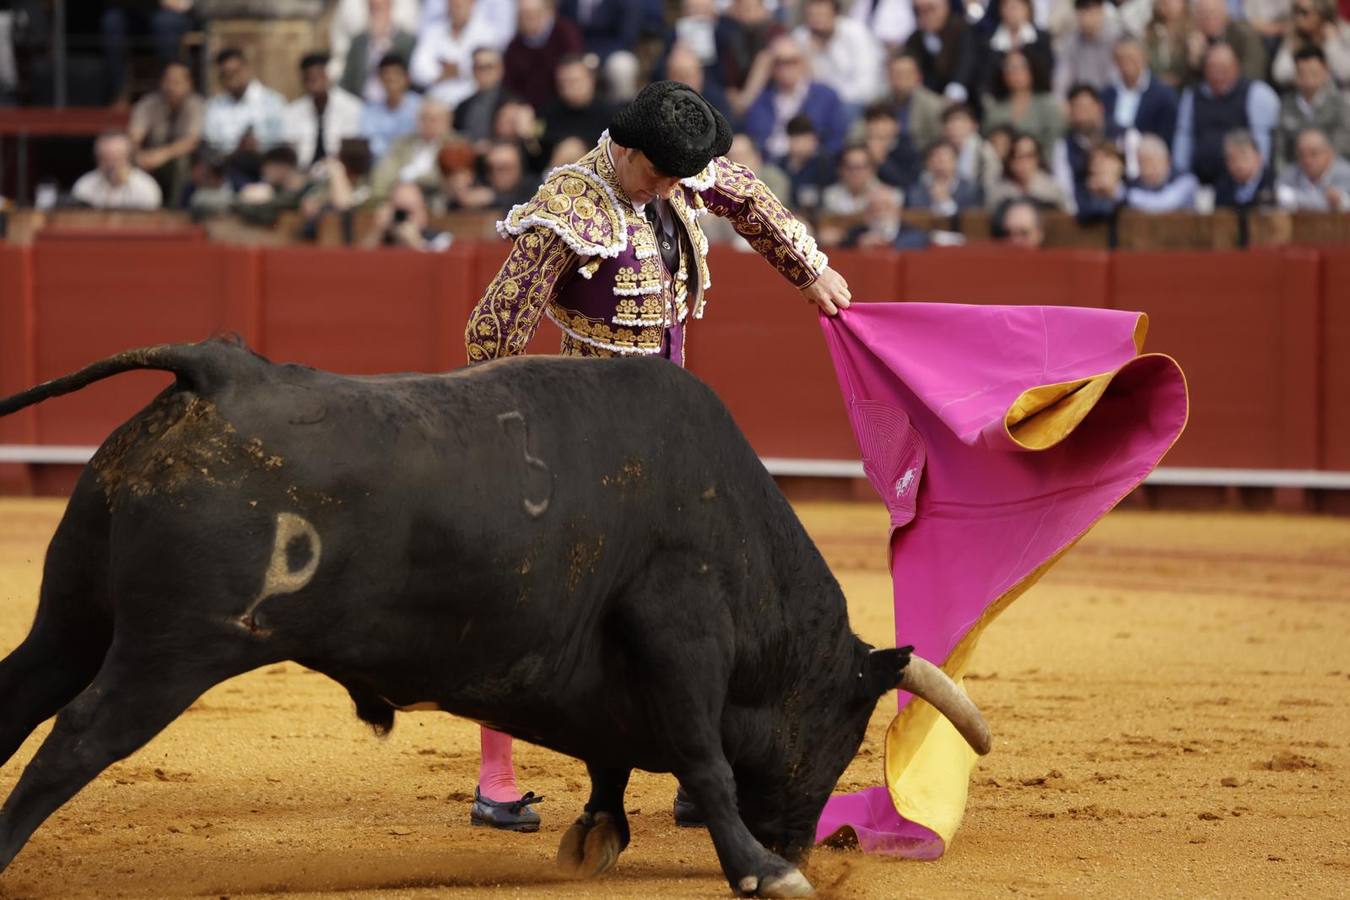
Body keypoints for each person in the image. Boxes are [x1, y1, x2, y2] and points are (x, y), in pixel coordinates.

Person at [463, 81, 849, 831]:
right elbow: (492, 332)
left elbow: (747, 198)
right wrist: (517, 430)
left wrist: (810, 271)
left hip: (673, 430)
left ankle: (694, 762)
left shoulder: (673, 164)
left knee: (704, 591)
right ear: (627, 149)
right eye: (661, 175)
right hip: (591, 432)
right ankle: (496, 776)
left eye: (682, 176)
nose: (675, 188)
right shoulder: (568, 207)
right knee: (540, 592)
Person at [1174, 42, 1280, 184]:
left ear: (1237, 68)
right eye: (1212, 68)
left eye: (1224, 68)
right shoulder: (1191, 95)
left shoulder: (1257, 94)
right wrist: (1181, 175)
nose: (1218, 74)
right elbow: (1184, 137)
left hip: (1242, 182)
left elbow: (1262, 143)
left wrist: (1257, 182)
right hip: (1201, 181)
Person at [741, 35, 850, 164]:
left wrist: (817, 156)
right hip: (769, 164)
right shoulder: (761, 100)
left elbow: (837, 139)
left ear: (803, 63)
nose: (785, 68)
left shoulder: (826, 96)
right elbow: (751, 135)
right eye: (778, 62)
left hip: (814, 166)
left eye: (792, 61)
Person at [203, 48, 287, 183]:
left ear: (247, 69)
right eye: (225, 74)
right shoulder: (214, 107)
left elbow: (281, 144)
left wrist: (257, 147)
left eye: (235, 72)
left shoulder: (273, 101)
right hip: (227, 172)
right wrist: (237, 149)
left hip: (266, 170)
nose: (231, 78)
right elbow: (211, 147)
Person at [129, 60, 205, 205]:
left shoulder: (197, 105)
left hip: (183, 160)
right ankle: (143, 209)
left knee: (181, 163)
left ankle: (175, 210)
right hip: (151, 157)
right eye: (167, 81)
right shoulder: (148, 104)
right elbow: (134, 137)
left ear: (189, 84)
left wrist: (162, 155)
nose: (170, 87)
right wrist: (139, 155)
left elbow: (191, 141)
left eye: (176, 82)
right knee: (130, 159)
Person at [793, 0, 886, 107]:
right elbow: (801, 85)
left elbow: (867, 85)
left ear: (835, 12)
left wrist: (833, 100)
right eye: (812, 14)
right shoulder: (800, 38)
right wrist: (810, 54)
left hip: (859, 101)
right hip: (820, 104)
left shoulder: (856, 32)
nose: (817, 18)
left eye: (822, 13)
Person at [286, 53, 365, 169]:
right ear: (303, 80)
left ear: (329, 76)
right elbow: (290, 152)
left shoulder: (352, 107)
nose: (314, 83)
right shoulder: (292, 111)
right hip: (303, 173)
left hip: (339, 170)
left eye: (319, 76)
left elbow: (350, 151)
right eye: (310, 78)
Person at [982, 50, 1066, 156]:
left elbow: (1055, 142)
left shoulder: (1048, 104)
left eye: (1021, 66)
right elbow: (987, 143)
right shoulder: (995, 108)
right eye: (1009, 68)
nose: (1016, 72)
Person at [503, 0, 585, 109]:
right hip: (529, 109)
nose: (528, 19)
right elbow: (511, 86)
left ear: (547, 12)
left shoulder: (565, 33)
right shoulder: (514, 47)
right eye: (523, 15)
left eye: (532, 14)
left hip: (564, 104)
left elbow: (572, 70)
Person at [1101, 36, 1180, 147]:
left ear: (1144, 57)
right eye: (1121, 59)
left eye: (1131, 57)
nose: (1126, 63)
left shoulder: (1163, 94)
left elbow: (1168, 134)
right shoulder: (1107, 94)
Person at [1279, 47, 1350, 166]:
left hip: (1333, 170)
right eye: (1302, 72)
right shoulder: (1286, 105)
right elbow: (1280, 148)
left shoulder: (1340, 105)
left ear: (1325, 71)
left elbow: (1343, 145)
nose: (1308, 78)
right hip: (1295, 172)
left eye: (1313, 72)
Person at [371, 99, 454, 200]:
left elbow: (444, 179)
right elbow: (384, 173)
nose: (427, 123)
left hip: (434, 200)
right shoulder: (402, 143)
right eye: (423, 118)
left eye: (432, 119)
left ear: (446, 122)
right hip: (395, 197)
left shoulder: (455, 146)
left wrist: (408, 182)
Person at [339, 0, 418, 102]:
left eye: (380, 8)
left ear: (390, 7)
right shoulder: (358, 41)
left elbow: (411, 77)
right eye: (372, 8)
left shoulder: (406, 41)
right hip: (361, 103)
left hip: (394, 104)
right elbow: (347, 80)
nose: (376, 13)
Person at [903, 0, 979, 103]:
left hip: (964, 98)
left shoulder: (961, 29)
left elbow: (967, 63)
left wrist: (954, 91)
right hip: (927, 99)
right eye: (920, 11)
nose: (926, 15)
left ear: (945, 7)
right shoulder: (914, 39)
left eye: (931, 9)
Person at [71, 131, 164, 209]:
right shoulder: (84, 186)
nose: (111, 164)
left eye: (117, 158)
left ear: (128, 157)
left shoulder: (146, 188)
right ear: (96, 159)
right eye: (104, 158)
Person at [1271, 0, 1350, 88]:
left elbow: (1345, 74)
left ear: (1321, 13)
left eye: (1304, 12)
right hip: (1305, 95)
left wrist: (1332, 44)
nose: (1299, 17)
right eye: (1296, 11)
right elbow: (1280, 74)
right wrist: (1308, 74)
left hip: (1338, 96)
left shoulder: (1344, 33)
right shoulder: (1295, 36)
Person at [1186, 0, 1269, 82]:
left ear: (1225, 13)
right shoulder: (1196, 39)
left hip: (1243, 89)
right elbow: (1192, 85)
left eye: (1212, 12)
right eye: (1202, 14)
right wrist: (1196, 62)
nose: (1208, 18)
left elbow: (1253, 73)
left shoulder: (1243, 34)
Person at [361, 53, 423, 160]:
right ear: (379, 79)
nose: (391, 79)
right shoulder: (370, 110)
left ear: (407, 78)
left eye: (396, 74)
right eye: (386, 75)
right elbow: (369, 142)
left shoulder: (421, 107)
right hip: (379, 164)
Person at [1053, 0, 1120, 99]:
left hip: (1109, 100)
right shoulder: (1071, 42)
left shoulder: (1116, 39)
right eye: (1082, 11)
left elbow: (1116, 80)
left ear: (1101, 10)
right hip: (1080, 102)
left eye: (1090, 10)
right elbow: (1062, 79)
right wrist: (1060, 101)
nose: (1086, 16)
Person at [987, 132, 1071, 210]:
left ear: (1037, 158)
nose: (1023, 162)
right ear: (1009, 160)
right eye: (1017, 156)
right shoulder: (999, 192)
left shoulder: (1052, 190)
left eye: (1028, 156)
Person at [883, 53, 944, 157]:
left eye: (906, 74)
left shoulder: (933, 105)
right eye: (896, 74)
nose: (901, 79)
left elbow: (940, 141)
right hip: (886, 159)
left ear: (918, 76)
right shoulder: (880, 105)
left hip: (922, 160)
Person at [366, 180, 455, 249]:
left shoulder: (441, 240)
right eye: (400, 211)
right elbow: (361, 261)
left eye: (410, 211)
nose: (404, 218)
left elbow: (439, 266)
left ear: (423, 212)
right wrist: (378, 231)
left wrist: (416, 243)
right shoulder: (383, 239)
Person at [1276, 126, 1350, 209]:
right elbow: (1278, 198)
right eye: (1301, 155)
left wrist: (1296, 199)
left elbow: (1343, 203)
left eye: (1314, 154)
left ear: (1329, 153)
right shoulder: (1289, 174)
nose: (1307, 160)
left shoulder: (1346, 174)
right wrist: (1325, 202)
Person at [1124, 133, 1199, 211]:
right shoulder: (1133, 184)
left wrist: (1126, 196)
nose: (1148, 171)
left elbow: (1165, 204)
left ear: (1167, 161)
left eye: (1153, 164)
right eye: (1143, 165)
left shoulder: (1186, 180)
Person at [906, 140, 982, 213]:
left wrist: (946, 202)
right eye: (934, 160)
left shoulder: (970, 189)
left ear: (955, 162)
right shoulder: (917, 191)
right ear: (927, 164)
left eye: (943, 160)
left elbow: (973, 220)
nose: (939, 165)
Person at [1214, 128, 1276, 207]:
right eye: (1232, 159)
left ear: (1258, 157)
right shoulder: (1222, 187)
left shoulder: (1274, 184)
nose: (1238, 164)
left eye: (1244, 157)